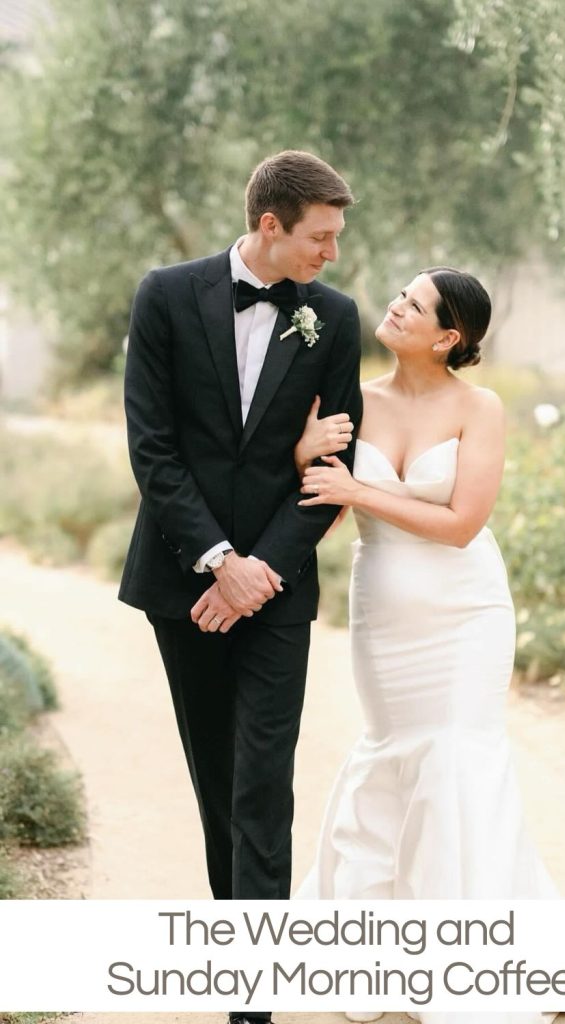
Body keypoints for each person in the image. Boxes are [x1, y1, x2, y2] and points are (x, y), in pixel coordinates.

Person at [294, 266, 558, 1024]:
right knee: (394, 751)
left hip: (468, 610)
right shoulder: (350, 397)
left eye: (413, 304)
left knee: (456, 758)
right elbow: (324, 509)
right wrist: (301, 458)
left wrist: (360, 491)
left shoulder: (480, 408)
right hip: (385, 613)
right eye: (399, 296)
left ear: (448, 336)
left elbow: (461, 522)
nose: (395, 306)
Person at [118, 151, 363, 957]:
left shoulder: (333, 317)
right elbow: (153, 451)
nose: (330, 254)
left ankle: (253, 984)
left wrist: (259, 572)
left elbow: (335, 467)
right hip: (183, 580)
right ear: (269, 224)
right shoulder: (164, 295)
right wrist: (220, 560)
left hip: (278, 584)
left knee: (263, 778)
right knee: (217, 777)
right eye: (319, 238)